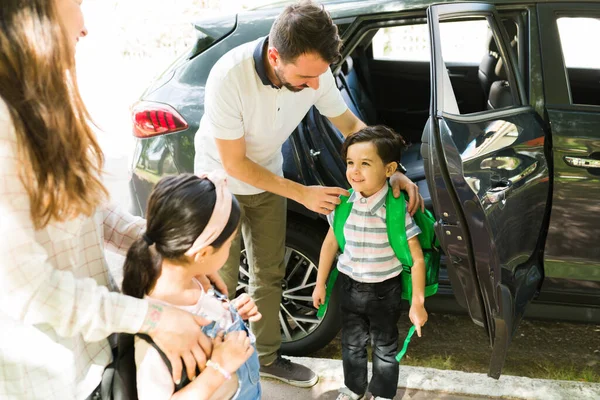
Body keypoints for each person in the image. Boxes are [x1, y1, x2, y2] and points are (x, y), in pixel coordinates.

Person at [194, 0, 425, 386]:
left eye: (320, 76)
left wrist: (392, 170)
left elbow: (350, 123)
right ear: (275, 56)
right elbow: (234, 165)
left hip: (268, 178)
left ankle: (266, 357)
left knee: (269, 276)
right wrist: (302, 193)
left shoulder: (314, 73)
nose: (316, 86)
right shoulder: (229, 77)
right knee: (219, 283)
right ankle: (213, 372)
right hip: (220, 186)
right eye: (305, 77)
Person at [0, 1, 212, 398]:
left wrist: (175, 253)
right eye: (77, 5)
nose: (84, 28)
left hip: (96, 356)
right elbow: (28, 288)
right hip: (52, 379)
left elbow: (95, 216)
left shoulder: (41, 107)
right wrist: (155, 318)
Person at [312, 126, 429, 400]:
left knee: (384, 346)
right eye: (351, 163)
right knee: (351, 344)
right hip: (349, 286)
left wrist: (418, 303)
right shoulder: (343, 205)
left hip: (384, 289)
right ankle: (353, 388)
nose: (355, 171)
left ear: (389, 170)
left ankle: (383, 393)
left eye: (365, 164)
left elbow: (417, 258)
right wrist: (320, 285)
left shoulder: (396, 209)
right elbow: (330, 244)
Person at [122, 172, 262, 400]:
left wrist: (230, 314)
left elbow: (204, 310)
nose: (231, 247)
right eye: (230, 242)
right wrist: (220, 368)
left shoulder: (196, 280)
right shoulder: (155, 338)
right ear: (203, 253)